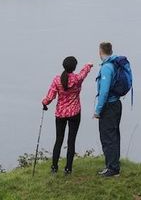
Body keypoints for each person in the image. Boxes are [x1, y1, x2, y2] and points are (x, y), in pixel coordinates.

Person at [41, 56, 93, 175]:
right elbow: (83, 73)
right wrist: (89, 65)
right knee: (71, 141)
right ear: (74, 67)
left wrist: (44, 103)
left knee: (58, 140)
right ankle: (68, 169)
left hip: (60, 113)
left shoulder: (57, 80)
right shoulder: (77, 79)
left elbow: (50, 97)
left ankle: (54, 167)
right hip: (75, 113)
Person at [94, 41, 132, 178]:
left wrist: (97, 110)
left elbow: (103, 92)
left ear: (100, 51)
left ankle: (112, 168)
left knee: (107, 137)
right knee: (114, 135)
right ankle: (113, 165)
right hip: (117, 104)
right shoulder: (116, 64)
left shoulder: (106, 68)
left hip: (108, 107)